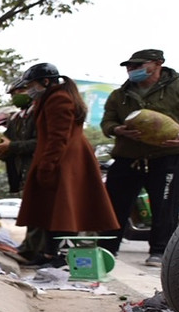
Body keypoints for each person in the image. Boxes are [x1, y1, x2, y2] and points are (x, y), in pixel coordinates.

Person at [15, 63, 119, 266]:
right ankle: (48, 253)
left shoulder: (59, 100)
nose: (29, 89)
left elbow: (58, 138)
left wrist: (48, 165)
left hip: (64, 161)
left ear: (46, 82)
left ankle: (54, 255)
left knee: (61, 211)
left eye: (32, 84)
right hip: (62, 158)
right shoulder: (50, 98)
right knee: (51, 210)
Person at [100, 48, 179, 266]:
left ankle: (160, 251)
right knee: (114, 204)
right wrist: (117, 130)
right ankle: (106, 249)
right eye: (129, 66)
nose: (131, 69)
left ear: (158, 63)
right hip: (128, 156)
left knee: (165, 205)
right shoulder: (119, 95)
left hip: (166, 155)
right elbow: (107, 122)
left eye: (138, 65)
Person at [0, 74, 47, 261]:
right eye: (13, 94)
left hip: (39, 167)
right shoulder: (16, 118)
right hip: (23, 171)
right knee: (31, 211)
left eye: (20, 91)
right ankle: (29, 248)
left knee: (39, 212)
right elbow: (6, 141)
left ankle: (38, 251)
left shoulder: (39, 113)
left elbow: (40, 142)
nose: (16, 96)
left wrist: (11, 147)